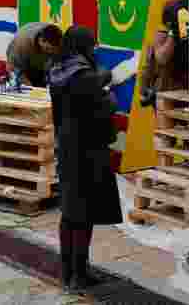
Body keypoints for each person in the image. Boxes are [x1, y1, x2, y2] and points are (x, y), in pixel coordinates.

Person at [50, 26, 122, 292]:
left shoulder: (58, 70)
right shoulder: (83, 76)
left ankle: (68, 271)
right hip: (88, 150)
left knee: (70, 213)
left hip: (67, 147)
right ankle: (79, 275)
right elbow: (105, 105)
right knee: (83, 214)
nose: (95, 50)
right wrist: (108, 95)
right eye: (92, 45)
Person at [6, 22, 63, 88]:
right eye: (48, 49)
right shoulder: (21, 44)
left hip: (42, 67)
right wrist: (31, 88)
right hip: (24, 67)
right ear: (41, 40)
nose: (50, 52)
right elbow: (14, 70)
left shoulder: (58, 38)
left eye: (54, 50)